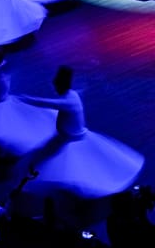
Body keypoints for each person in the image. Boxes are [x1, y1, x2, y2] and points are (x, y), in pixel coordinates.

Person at [18, 65, 145, 200]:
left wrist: (27, 99)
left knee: (74, 170)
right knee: (60, 165)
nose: (54, 88)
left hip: (69, 142)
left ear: (61, 85)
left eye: (56, 85)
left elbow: (46, 103)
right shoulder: (72, 94)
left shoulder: (68, 100)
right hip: (64, 139)